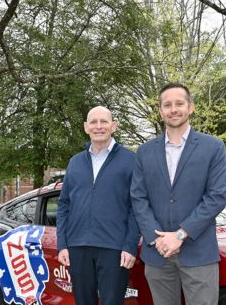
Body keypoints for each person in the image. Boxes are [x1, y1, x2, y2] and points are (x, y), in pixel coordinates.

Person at [131, 83, 226, 305]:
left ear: (191, 107)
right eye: (167, 105)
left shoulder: (212, 147)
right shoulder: (145, 151)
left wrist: (180, 235)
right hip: (157, 253)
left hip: (198, 252)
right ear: (160, 111)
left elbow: (216, 197)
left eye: (179, 104)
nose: (173, 109)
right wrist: (156, 238)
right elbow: (138, 198)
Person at [56, 106, 140, 305]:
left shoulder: (131, 160)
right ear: (86, 127)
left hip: (114, 248)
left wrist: (129, 246)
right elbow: (64, 205)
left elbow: (136, 207)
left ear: (114, 126)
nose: (99, 126)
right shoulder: (75, 162)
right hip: (78, 247)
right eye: (93, 122)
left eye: (104, 121)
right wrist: (62, 245)